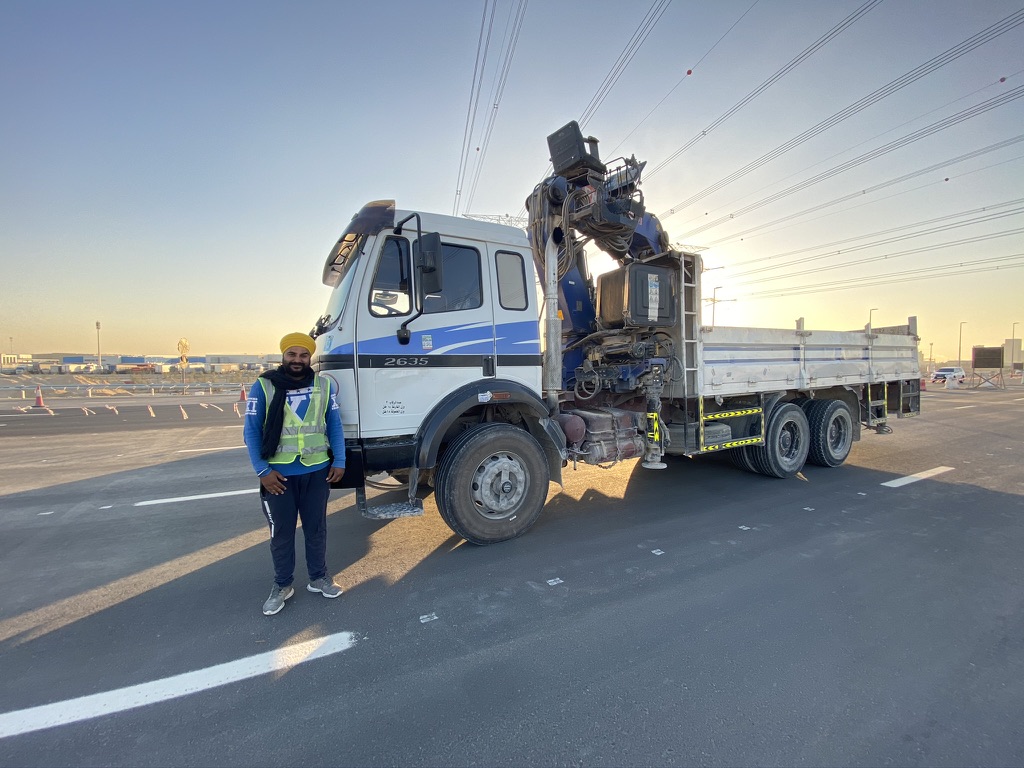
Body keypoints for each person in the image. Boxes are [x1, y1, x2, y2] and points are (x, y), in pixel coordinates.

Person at [243, 332, 346, 615]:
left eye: (303, 355)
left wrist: (340, 461)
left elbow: (334, 426)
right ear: (283, 356)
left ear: (310, 357)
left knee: (316, 529)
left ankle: (319, 578)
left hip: (317, 472)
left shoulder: (323, 386)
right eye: (292, 354)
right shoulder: (264, 387)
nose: (298, 360)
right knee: (282, 534)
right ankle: (282, 585)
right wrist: (263, 471)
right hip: (278, 477)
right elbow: (251, 432)